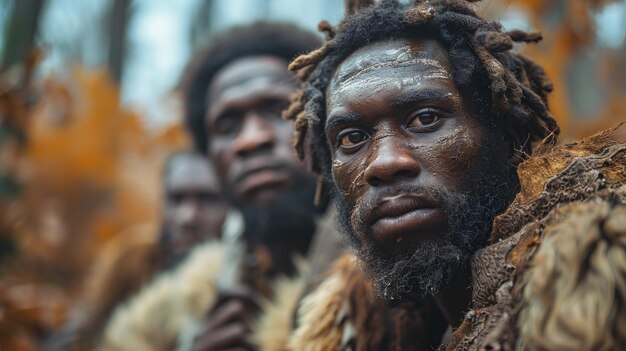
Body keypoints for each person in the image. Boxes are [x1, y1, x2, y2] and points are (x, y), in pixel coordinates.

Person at [284, 1, 626, 350]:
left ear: (506, 135)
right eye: (352, 138)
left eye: (424, 119)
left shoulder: (603, 281)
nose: (384, 163)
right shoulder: (357, 327)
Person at [100, 23, 346, 351]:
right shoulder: (178, 309)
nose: (250, 139)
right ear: (210, 159)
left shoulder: (394, 277)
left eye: (277, 110)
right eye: (227, 126)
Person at [47, 151, 228, 350]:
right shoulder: (131, 265)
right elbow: (83, 332)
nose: (188, 217)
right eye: (177, 200)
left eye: (208, 199)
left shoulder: (243, 278)